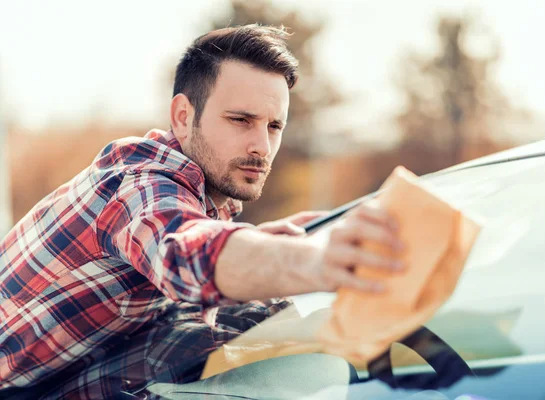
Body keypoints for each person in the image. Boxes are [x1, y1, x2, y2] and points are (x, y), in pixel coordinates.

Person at [0, 24, 403, 398]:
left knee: (272, 323)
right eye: (241, 120)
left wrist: (268, 245)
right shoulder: (136, 183)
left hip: (73, 378)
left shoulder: (206, 200)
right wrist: (315, 262)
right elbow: (185, 251)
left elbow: (202, 258)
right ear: (183, 117)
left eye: (274, 126)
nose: (262, 146)